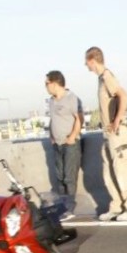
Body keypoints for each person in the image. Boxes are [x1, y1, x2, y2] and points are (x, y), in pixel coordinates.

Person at [85, 47, 127, 221]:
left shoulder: (108, 77)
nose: (86, 65)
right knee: (109, 170)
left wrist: (117, 120)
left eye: (87, 62)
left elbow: (124, 96)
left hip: (117, 132)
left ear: (93, 60)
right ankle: (116, 206)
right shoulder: (101, 79)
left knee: (121, 168)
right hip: (108, 133)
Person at [45, 70, 82, 220]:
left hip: (70, 144)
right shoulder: (51, 101)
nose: (46, 86)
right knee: (59, 177)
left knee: (69, 177)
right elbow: (52, 120)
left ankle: (70, 208)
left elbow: (79, 119)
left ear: (55, 83)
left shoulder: (71, 99)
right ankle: (62, 207)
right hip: (57, 144)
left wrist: (72, 136)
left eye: (47, 83)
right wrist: (51, 136)